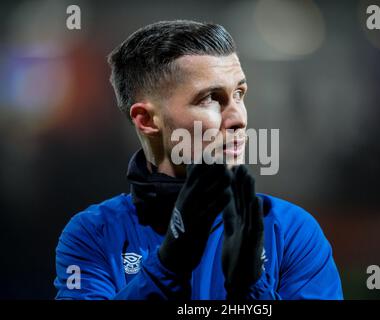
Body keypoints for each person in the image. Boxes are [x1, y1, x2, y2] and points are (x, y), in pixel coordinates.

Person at [54, 20, 343, 300]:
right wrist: (169, 265)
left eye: (239, 94)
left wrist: (251, 291)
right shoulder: (92, 234)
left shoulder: (291, 230)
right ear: (146, 119)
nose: (238, 118)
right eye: (210, 98)